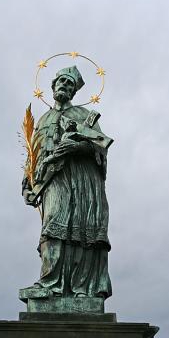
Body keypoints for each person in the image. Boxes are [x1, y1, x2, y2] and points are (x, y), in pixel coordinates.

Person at [22, 66, 113, 299]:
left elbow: (100, 146)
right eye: (60, 81)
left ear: (74, 91)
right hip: (54, 179)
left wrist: (78, 146)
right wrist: (27, 185)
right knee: (53, 224)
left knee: (83, 229)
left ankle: (83, 288)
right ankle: (49, 283)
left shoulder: (85, 117)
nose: (64, 85)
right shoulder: (43, 119)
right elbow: (33, 154)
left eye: (69, 84)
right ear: (52, 87)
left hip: (82, 179)